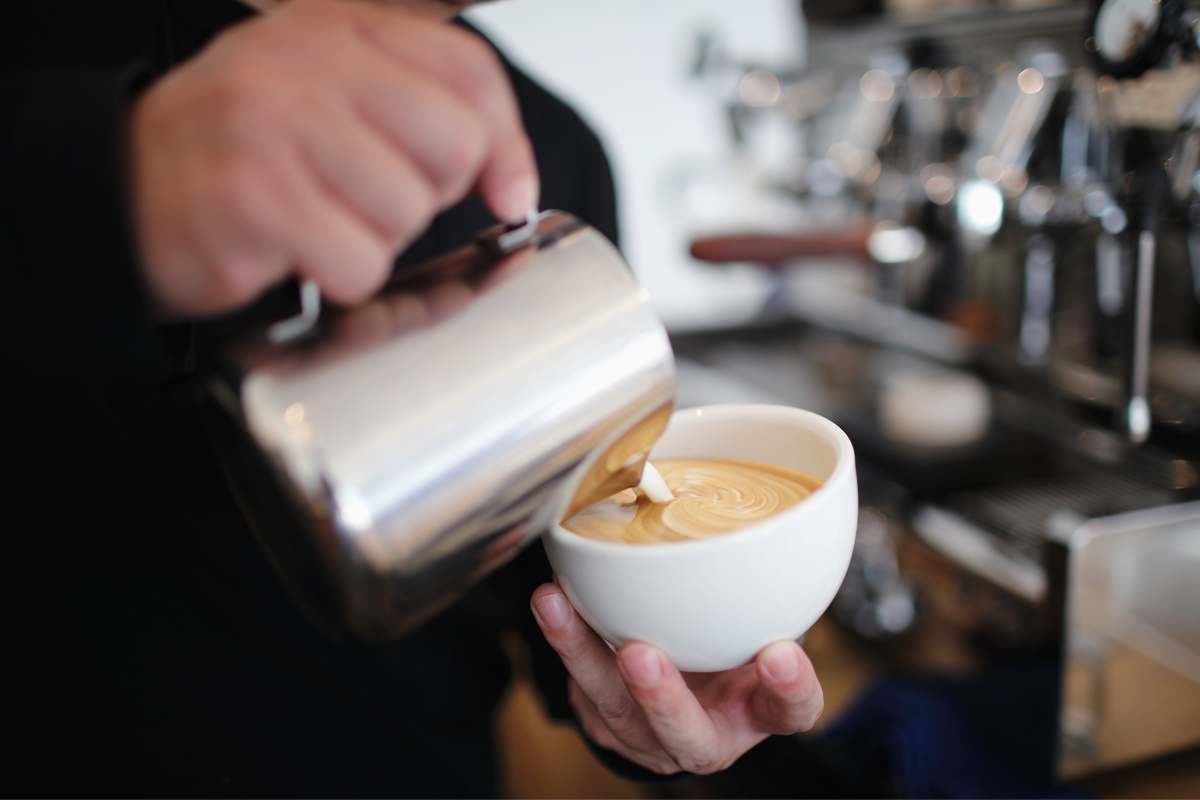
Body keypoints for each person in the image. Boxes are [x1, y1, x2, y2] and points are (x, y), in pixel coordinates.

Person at [3, 0, 824, 794]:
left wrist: (629, 702)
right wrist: (115, 182)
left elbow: (547, 559)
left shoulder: (554, 142)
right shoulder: (56, 41)